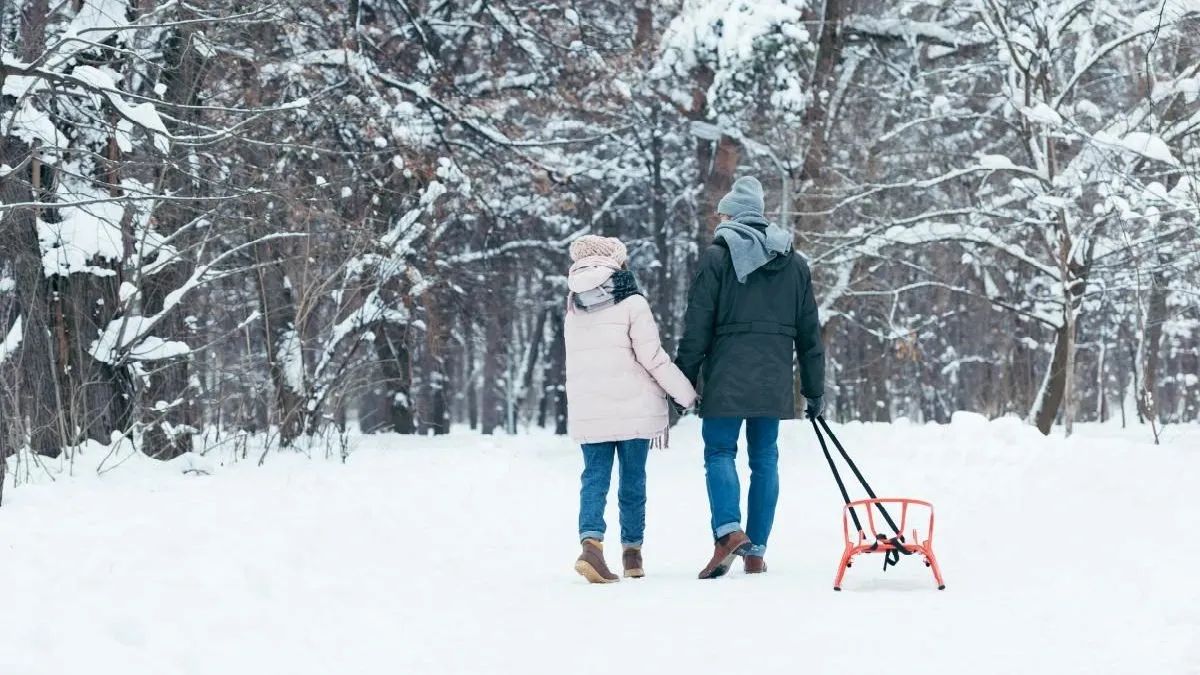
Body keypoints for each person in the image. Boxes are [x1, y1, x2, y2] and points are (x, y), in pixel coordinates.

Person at [674, 176, 826, 579]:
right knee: (765, 459)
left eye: (722, 213)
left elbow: (696, 328)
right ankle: (755, 550)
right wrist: (814, 390)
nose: (718, 220)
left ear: (734, 215)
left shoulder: (717, 257)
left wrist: (682, 382)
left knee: (720, 452)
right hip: (774, 377)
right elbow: (811, 335)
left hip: (727, 373)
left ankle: (728, 533)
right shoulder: (794, 262)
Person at [564, 235, 698, 584]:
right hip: (634, 408)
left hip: (590, 409)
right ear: (617, 264)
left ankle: (591, 545)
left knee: (594, 478)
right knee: (633, 481)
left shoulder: (574, 306)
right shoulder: (632, 302)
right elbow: (652, 358)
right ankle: (632, 554)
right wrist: (687, 395)